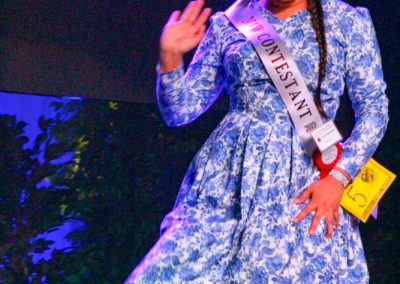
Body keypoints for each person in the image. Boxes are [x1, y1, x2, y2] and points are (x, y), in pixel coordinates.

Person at [125, 0, 389, 282]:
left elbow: (374, 109)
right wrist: (170, 58)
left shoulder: (345, 21)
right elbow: (180, 111)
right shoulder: (230, 22)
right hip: (227, 183)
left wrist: (338, 177)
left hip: (307, 183)